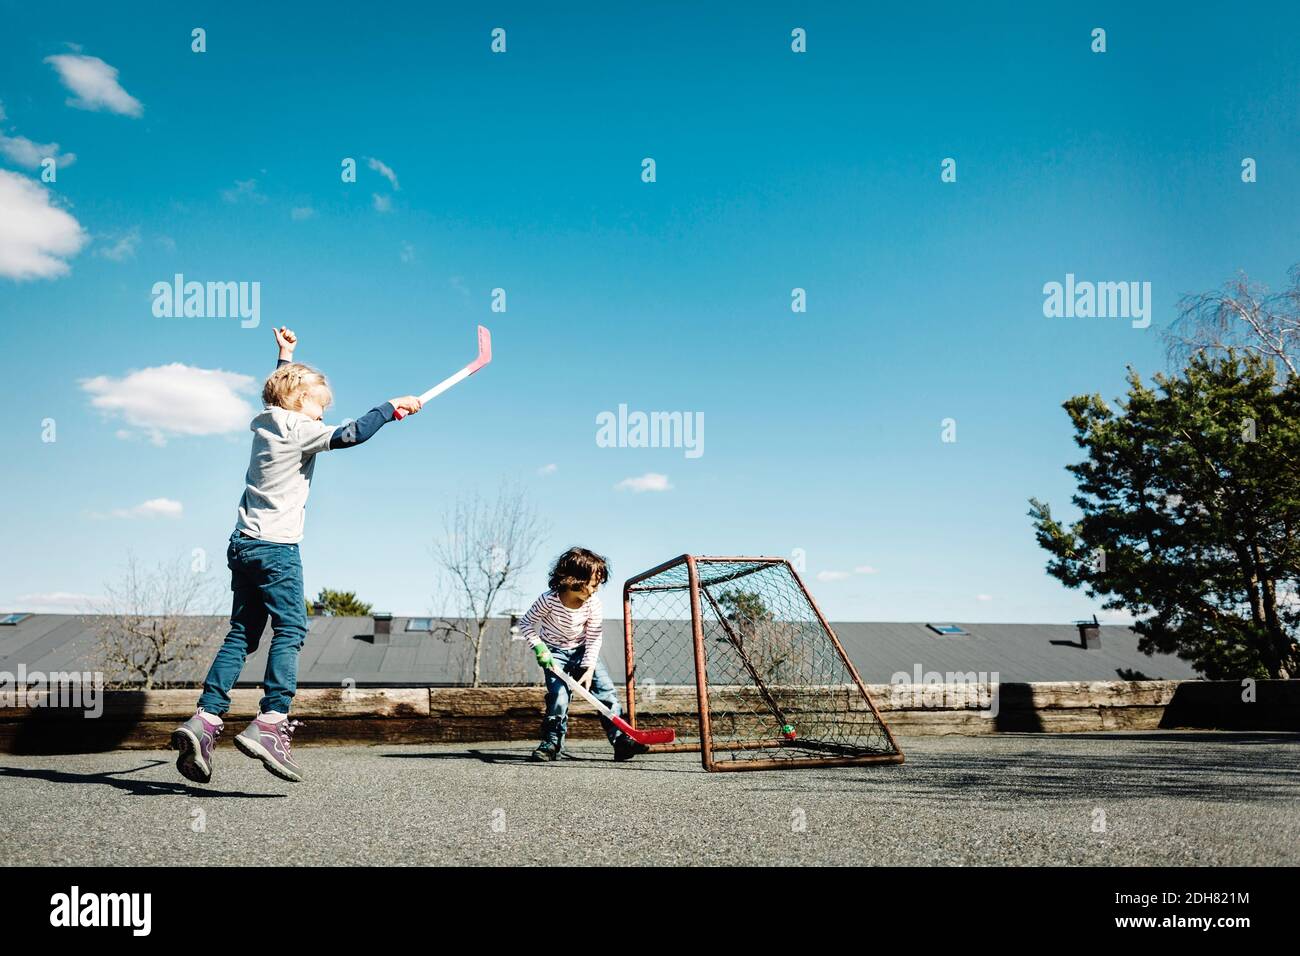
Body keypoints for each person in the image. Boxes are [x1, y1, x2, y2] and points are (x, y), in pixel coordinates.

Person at [170, 326, 423, 784]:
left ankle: (205, 719)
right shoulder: (301, 429)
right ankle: (271, 720)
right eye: (320, 404)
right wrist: (390, 408)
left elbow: (281, 389)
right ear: (299, 400)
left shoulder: (267, 420)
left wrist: (285, 356)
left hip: (242, 543)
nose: (323, 413)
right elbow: (350, 435)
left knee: (242, 634)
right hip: (277, 549)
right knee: (291, 628)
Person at [516, 547, 648, 762]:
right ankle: (552, 743)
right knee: (558, 698)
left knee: (606, 694)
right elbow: (526, 623)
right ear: (573, 579)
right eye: (593, 584)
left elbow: (594, 637)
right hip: (554, 655)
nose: (596, 590)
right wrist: (540, 648)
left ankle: (621, 741)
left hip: (583, 651)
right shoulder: (549, 600)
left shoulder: (593, 604)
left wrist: (587, 668)